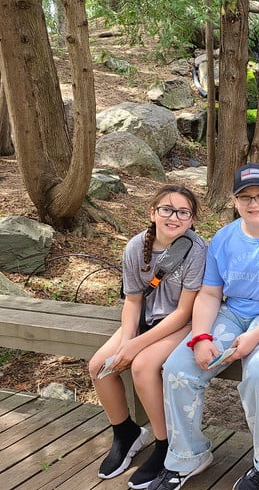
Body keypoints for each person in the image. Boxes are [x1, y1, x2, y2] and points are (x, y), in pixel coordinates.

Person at [147, 163, 259, 490]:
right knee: (178, 369)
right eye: (245, 197)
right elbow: (211, 293)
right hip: (232, 312)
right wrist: (200, 337)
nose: (254, 204)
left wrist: (254, 336)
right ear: (235, 201)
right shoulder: (224, 239)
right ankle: (188, 456)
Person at [88, 184, 206, 489]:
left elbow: (184, 312)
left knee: (141, 365)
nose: (174, 217)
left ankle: (164, 444)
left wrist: (137, 346)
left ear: (192, 220)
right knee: (99, 366)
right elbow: (133, 301)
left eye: (183, 212)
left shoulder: (196, 251)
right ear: (152, 212)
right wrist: (128, 339)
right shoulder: (135, 246)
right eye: (166, 209)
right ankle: (125, 432)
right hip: (144, 319)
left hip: (181, 322)